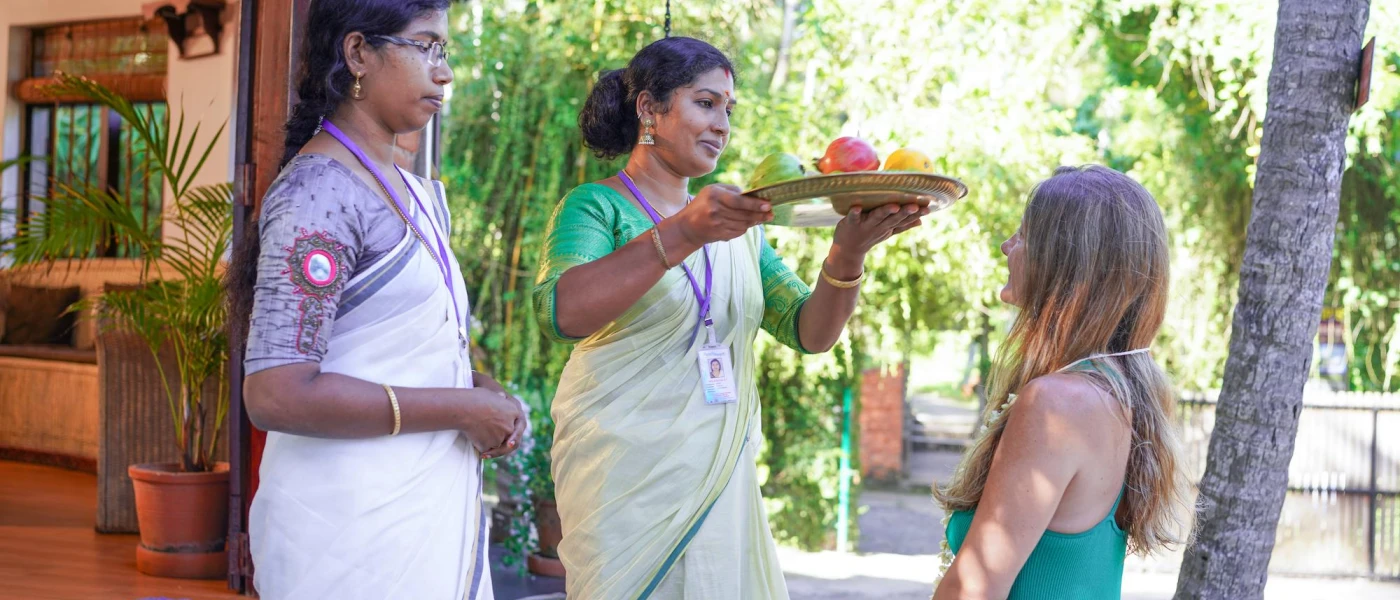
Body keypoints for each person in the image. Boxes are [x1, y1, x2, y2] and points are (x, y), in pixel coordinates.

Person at [532, 36, 928, 599]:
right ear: (649, 108)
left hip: (718, 474)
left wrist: (848, 254)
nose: (721, 124)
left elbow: (809, 332)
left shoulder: (738, 227)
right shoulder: (597, 207)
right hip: (622, 476)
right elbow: (560, 312)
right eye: (705, 103)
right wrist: (686, 230)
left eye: (728, 109)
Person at [225, 1, 524, 597]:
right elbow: (275, 393)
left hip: (414, 517)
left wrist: (477, 388)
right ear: (359, 52)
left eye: (447, 52)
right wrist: (460, 409)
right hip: (349, 532)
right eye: (427, 47)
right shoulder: (320, 192)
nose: (445, 73)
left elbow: (391, 350)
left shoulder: (408, 190)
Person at [931, 166, 1194, 599]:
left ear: (1063, 261)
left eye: (1023, 234)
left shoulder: (1059, 404)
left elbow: (974, 590)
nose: (1006, 246)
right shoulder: (1114, 389)